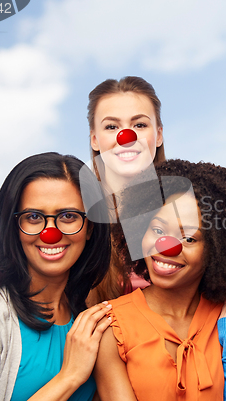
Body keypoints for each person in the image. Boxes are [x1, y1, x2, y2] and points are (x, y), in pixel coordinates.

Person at [93, 159, 226, 400]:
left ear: (218, 249)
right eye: (157, 230)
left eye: (188, 239)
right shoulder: (111, 328)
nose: (167, 247)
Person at [0, 152, 112, 401]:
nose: (50, 233)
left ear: (90, 227)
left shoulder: (87, 313)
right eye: (34, 217)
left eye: (68, 216)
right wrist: (70, 377)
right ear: (13, 227)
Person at [86, 76, 165, 303]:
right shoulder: (78, 215)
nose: (126, 137)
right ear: (94, 139)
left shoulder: (188, 207)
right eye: (112, 127)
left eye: (139, 125)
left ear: (158, 135)